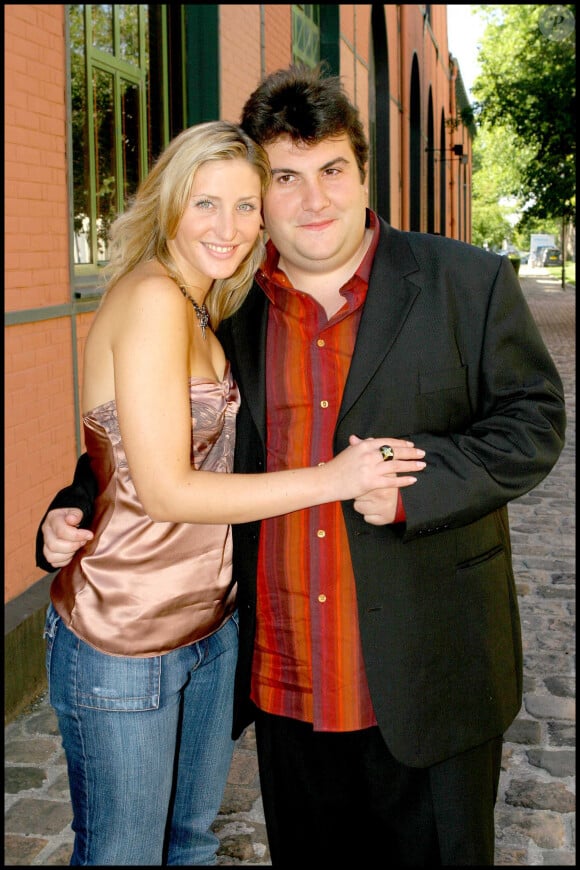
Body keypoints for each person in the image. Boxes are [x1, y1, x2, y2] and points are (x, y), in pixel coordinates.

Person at [37, 66, 566, 866]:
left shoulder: (467, 282)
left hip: (428, 676)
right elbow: (163, 438)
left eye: (333, 171)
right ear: (261, 190)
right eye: (284, 177)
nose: (314, 200)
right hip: (283, 677)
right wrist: (76, 501)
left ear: (362, 173)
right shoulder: (225, 305)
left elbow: (533, 421)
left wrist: (416, 489)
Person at [35, 117, 426, 867]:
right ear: (169, 200)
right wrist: (336, 479)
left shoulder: (207, 303)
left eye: (247, 205)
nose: (230, 226)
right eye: (206, 203)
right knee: (123, 854)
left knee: (188, 847)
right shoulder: (152, 298)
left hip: (211, 628)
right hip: (126, 636)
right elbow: (170, 491)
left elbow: (125, 451)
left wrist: (75, 499)